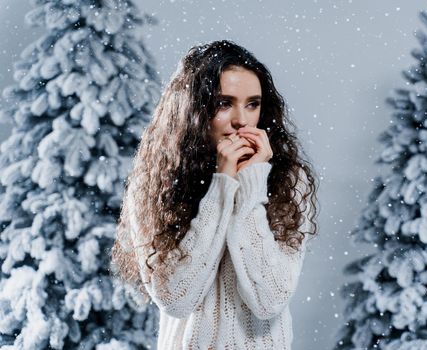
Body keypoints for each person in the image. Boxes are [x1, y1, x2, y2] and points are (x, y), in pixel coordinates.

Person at [111, 39, 319, 349]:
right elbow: (177, 299)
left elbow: (269, 300)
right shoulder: (155, 182)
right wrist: (223, 184)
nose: (242, 119)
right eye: (224, 103)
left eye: (253, 103)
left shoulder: (289, 180)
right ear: (193, 109)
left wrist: (252, 182)